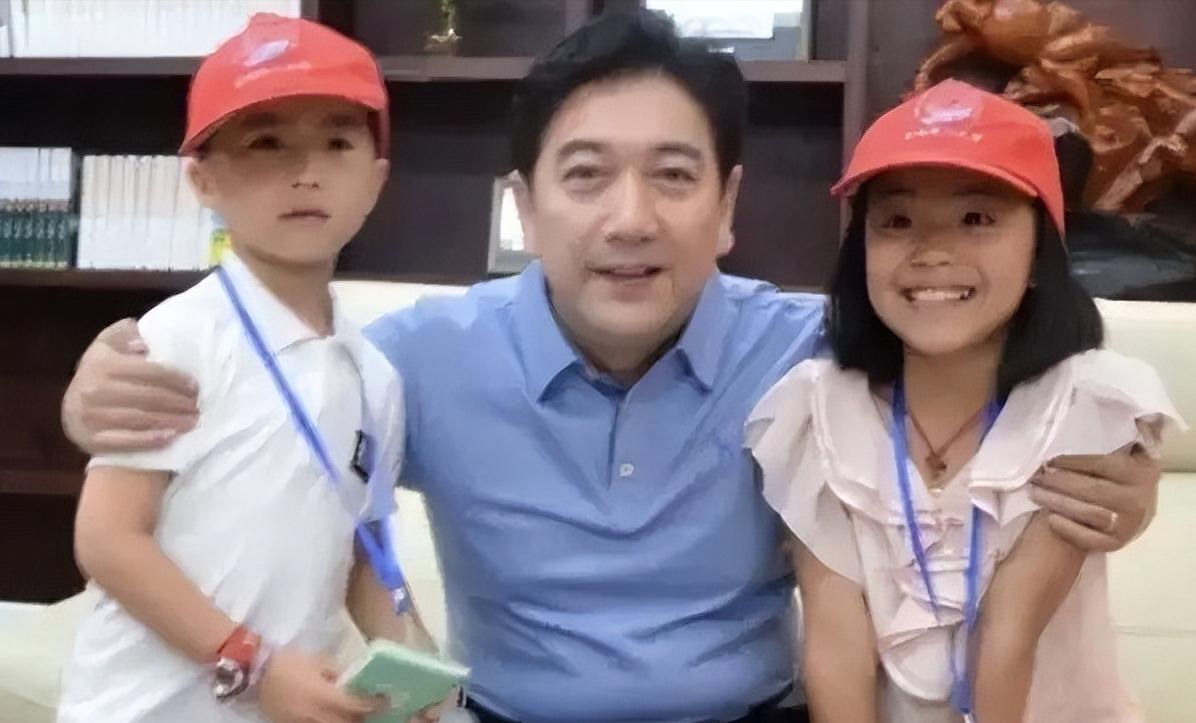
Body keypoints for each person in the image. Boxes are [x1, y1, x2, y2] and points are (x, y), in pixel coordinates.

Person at [59, 11, 1164, 723]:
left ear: (727, 206)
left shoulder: (818, 349)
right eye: (585, 175)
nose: (630, 219)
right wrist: (91, 389)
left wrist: (1131, 481)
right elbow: (255, 424)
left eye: (674, 176)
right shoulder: (409, 360)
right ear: (524, 207)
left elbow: (1026, 372)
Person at [746, 80, 1185, 723]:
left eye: (977, 218)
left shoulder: (1084, 406)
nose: (932, 252)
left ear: (1040, 250)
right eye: (896, 221)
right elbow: (836, 644)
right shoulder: (816, 409)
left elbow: (1008, 636)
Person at [56, 14, 434, 723]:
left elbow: (365, 552)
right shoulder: (177, 339)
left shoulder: (374, 374)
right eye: (266, 143)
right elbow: (107, 540)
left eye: (337, 142)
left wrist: (418, 664)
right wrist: (250, 660)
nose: (306, 171)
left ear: (376, 179)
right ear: (202, 180)